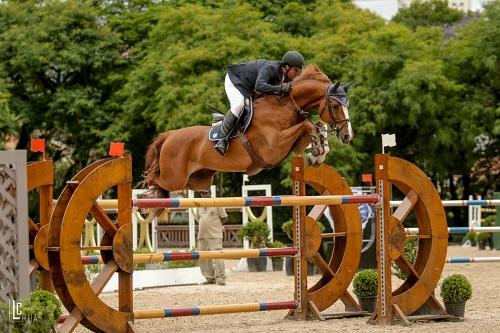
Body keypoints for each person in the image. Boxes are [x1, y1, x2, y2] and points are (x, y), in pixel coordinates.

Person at [214, 50, 305, 155]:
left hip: (248, 88)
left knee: (252, 110)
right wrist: (280, 89)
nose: (298, 74)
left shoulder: (285, 78)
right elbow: (260, 86)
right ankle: (222, 139)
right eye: (296, 71)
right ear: (286, 67)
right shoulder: (270, 68)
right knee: (239, 105)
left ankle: (224, 120)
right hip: (235, 80)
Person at [194, 189, 228, 285]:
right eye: (201, 193)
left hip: (215, 234)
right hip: (202, 235)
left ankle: (221, 277)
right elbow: (198, 218)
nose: (203, 195)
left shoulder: (217, 203)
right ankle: (209, 278)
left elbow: (224, 217)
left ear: (210, 193)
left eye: (205, 193)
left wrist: (216, 226)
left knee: (218, 256)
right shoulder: (199, 204)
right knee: (203, 258)